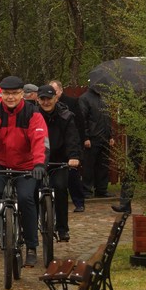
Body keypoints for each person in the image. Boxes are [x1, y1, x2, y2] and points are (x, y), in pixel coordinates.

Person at [0, 76, 49, 268]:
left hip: (26, 165)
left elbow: (40, 140)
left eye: (15, 93)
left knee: (26, 198)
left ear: (22, 94)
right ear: (1, 94)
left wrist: (39, 164)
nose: (10, 97)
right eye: (7, 93)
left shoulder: (33, 113)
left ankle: (31, 246)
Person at [36, 85, 81, 242]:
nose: (46, 102)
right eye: (43, 99)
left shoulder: (66, 116)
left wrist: (73, 156)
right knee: (31, 189)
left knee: (61, 188)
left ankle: (62, 228)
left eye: (49, 98)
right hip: (37, 160)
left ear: (56, 98)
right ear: (38, 99)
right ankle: (28, 226)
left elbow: (72, 138)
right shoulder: (32, 116)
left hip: (59, 160)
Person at [49, 80, 87, 213]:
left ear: (60, 90)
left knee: (73, 176)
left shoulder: (72, 102)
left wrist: (78, 146)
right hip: (54, 147)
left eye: (55, 91)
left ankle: (79, 202)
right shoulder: (44, 106)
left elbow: (80, 124)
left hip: (71, 145)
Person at [79, 86, 114, 198]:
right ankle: (86, 190)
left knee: (103, 165)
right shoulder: (84, 98)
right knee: (88, 165)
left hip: (104, 137)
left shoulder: (104, 98)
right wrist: (85, 137)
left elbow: (108, 118)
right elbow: (82, 119)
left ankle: (101, 189)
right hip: (92, 137)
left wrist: (110, 135)